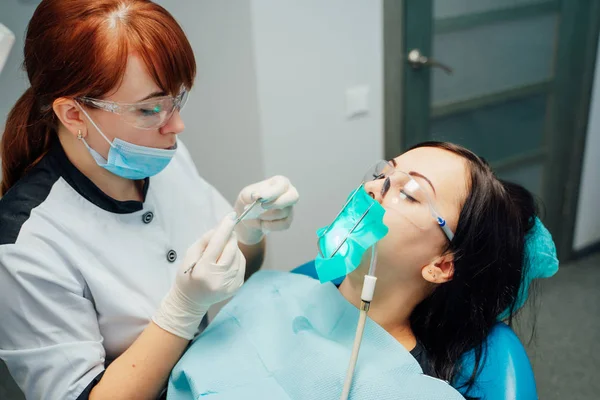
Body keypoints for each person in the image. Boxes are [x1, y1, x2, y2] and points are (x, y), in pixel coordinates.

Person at [0, 1, 299, 399]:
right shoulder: (26, 245)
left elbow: (235, 272)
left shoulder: (159, 157)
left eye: (177, 99)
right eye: (149, 108)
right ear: (73, 115)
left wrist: (250, 230)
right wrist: (181, 311)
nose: (176, 125)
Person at [166, 142, 558, 399]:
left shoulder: (414, 389)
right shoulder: (273, 291)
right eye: (383, 173)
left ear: (441, 265)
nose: (374, 188)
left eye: (408, 192)